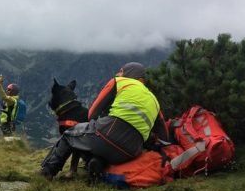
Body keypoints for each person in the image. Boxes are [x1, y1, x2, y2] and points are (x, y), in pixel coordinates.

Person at [39, 62, 168, 181]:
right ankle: (96, 165)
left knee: (69, 135)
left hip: (109, 134)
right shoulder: (154, 100)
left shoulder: (119, 82)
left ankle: (47, 172)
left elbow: (92, 113)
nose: (118, 74)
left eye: (121, 71)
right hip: (131, 151)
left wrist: (95, 126)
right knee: (107, 151)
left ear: (127, 73)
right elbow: (164, 137)